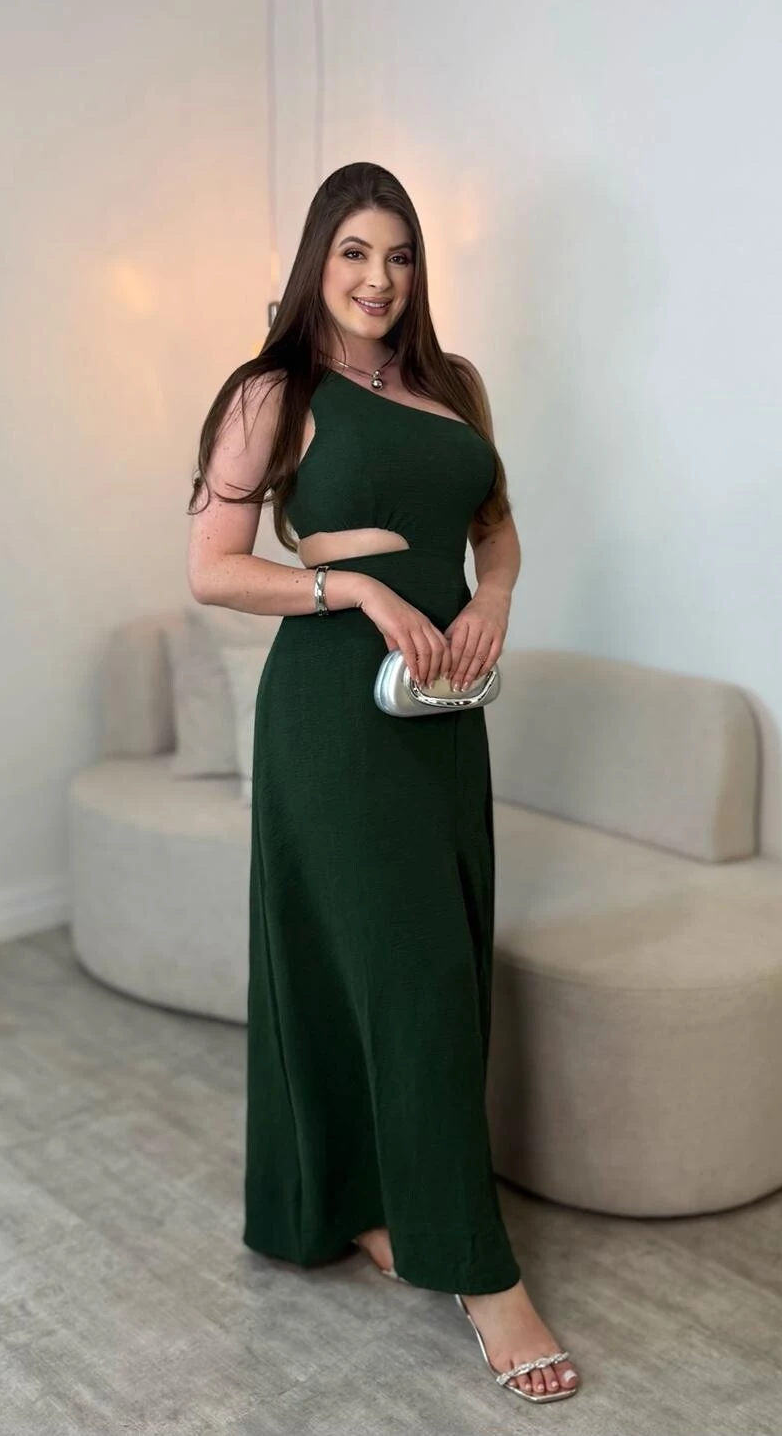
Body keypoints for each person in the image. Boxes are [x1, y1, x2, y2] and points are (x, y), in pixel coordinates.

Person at [186, 161, 581, 1403]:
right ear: (318, 260)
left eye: (398, 256)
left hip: (442, 712)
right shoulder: (272, 391)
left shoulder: (452, 385)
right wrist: (351, 584)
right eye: (354, 252)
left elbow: (494, 529)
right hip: (333, 719)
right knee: (405, 974)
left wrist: (494, 598)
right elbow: (211, 567)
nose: (377, 278)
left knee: (435, 958)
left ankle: (371, 1202)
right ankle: (480, 1273)